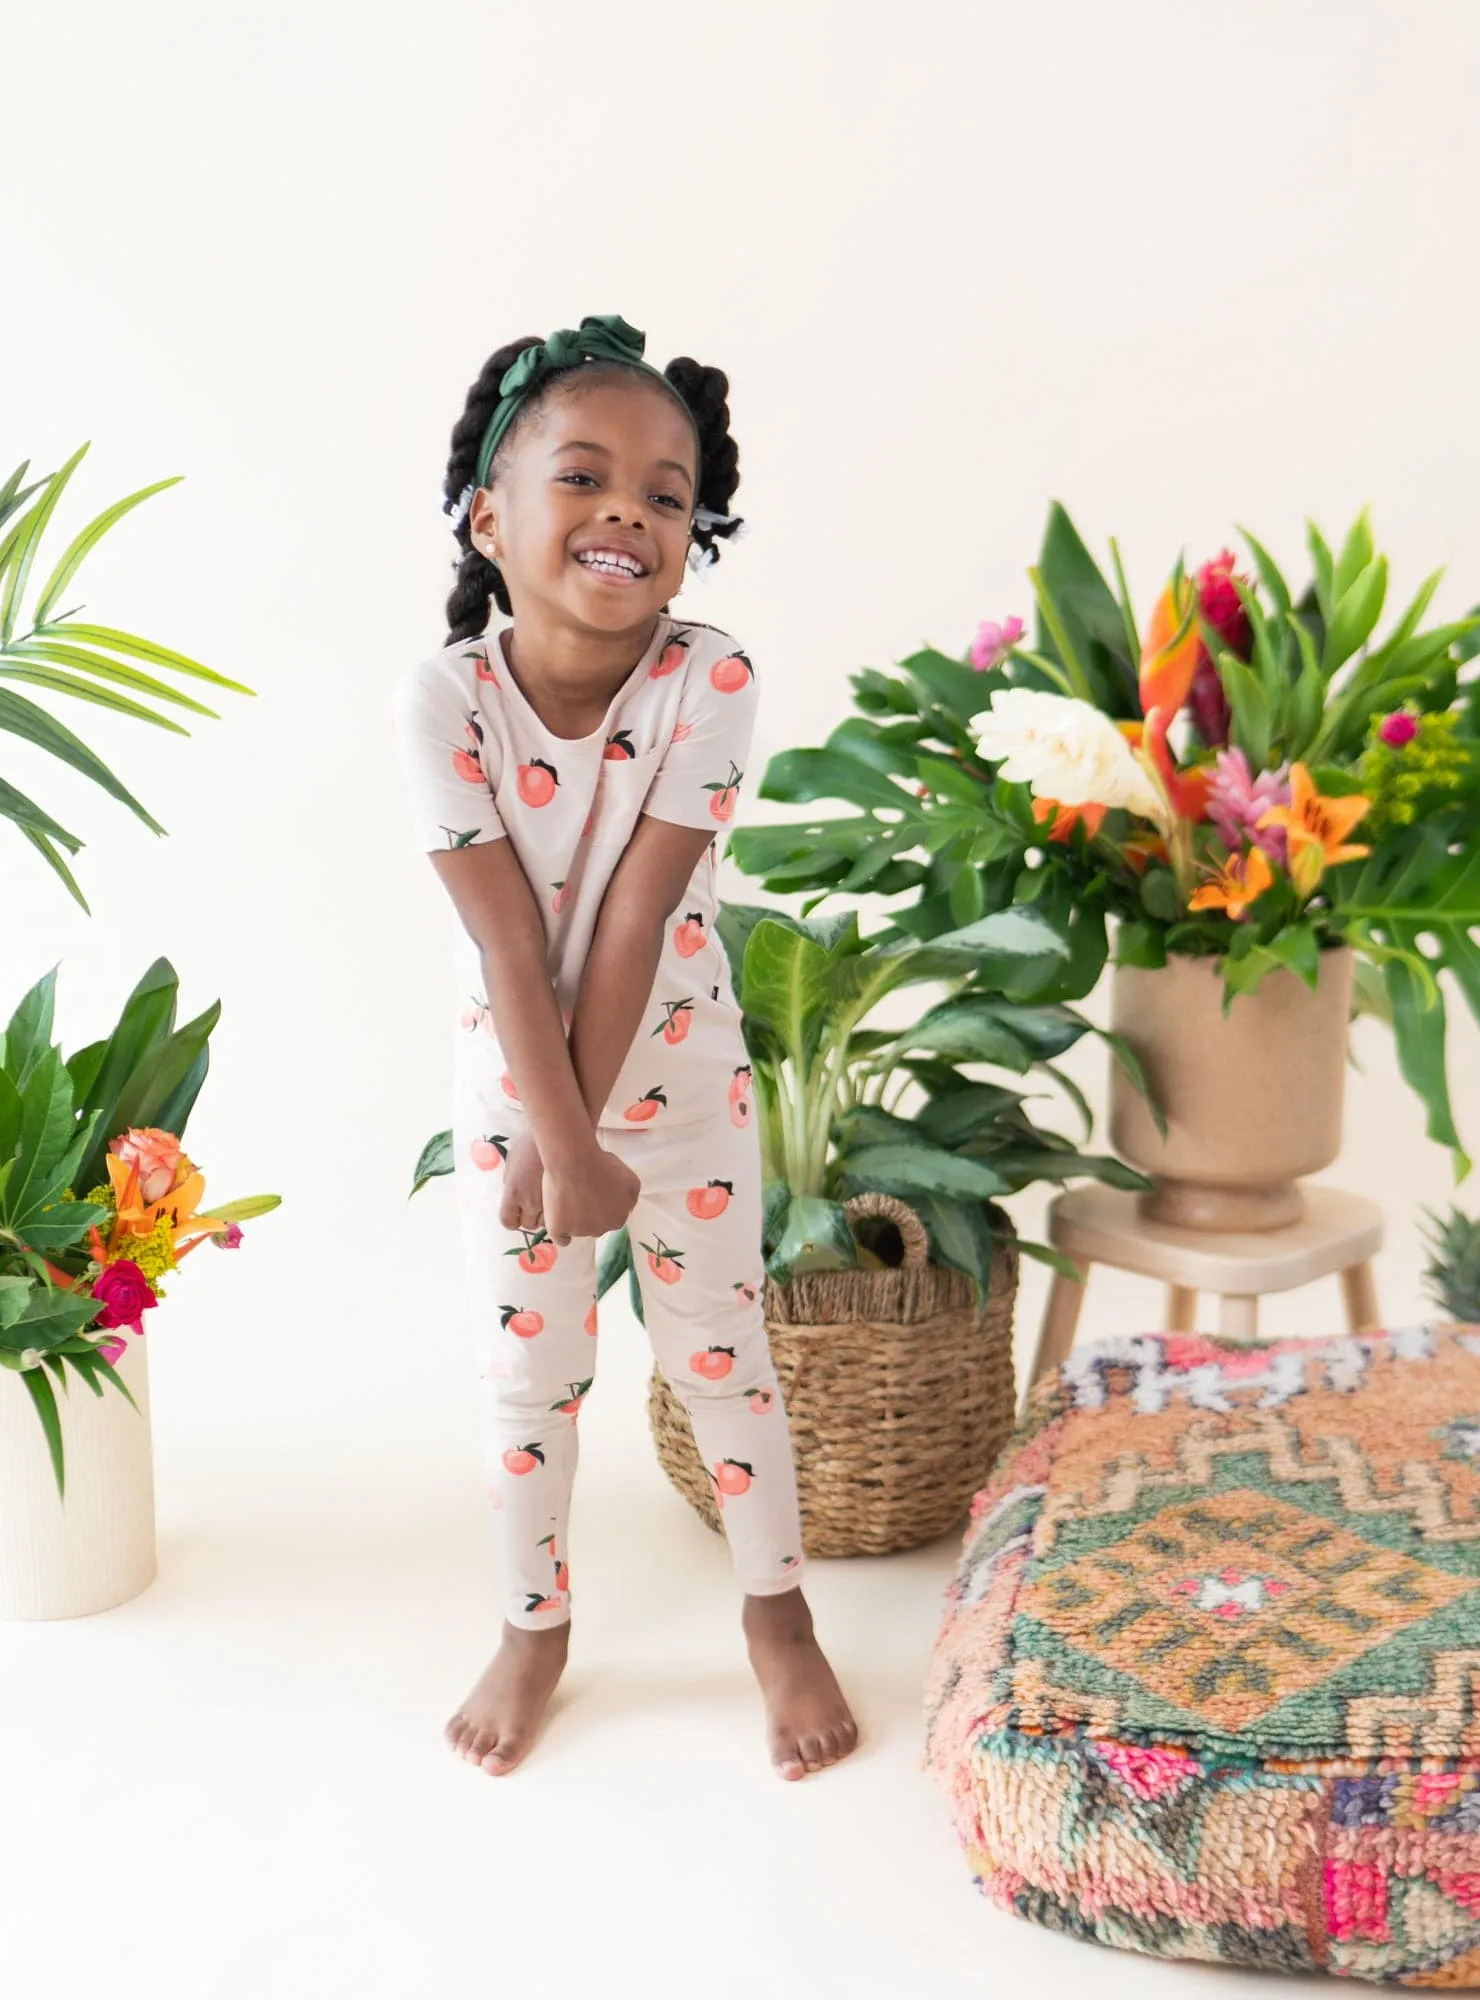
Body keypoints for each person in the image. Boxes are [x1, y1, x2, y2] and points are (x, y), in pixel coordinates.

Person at [388, 314, 858, 1782]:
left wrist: (592, 1143)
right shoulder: (443, 700)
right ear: (489, 516)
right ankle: (536, 1629)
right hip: (521, 1103)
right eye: (584, 479)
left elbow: (643, 911)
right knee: (528, 1384)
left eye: (667, 495)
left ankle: (779, 1622)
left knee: (727, 1365)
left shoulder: (706, 684)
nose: (629, 515)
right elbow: (509, 944)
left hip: (683, 1102)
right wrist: (555, 1139)